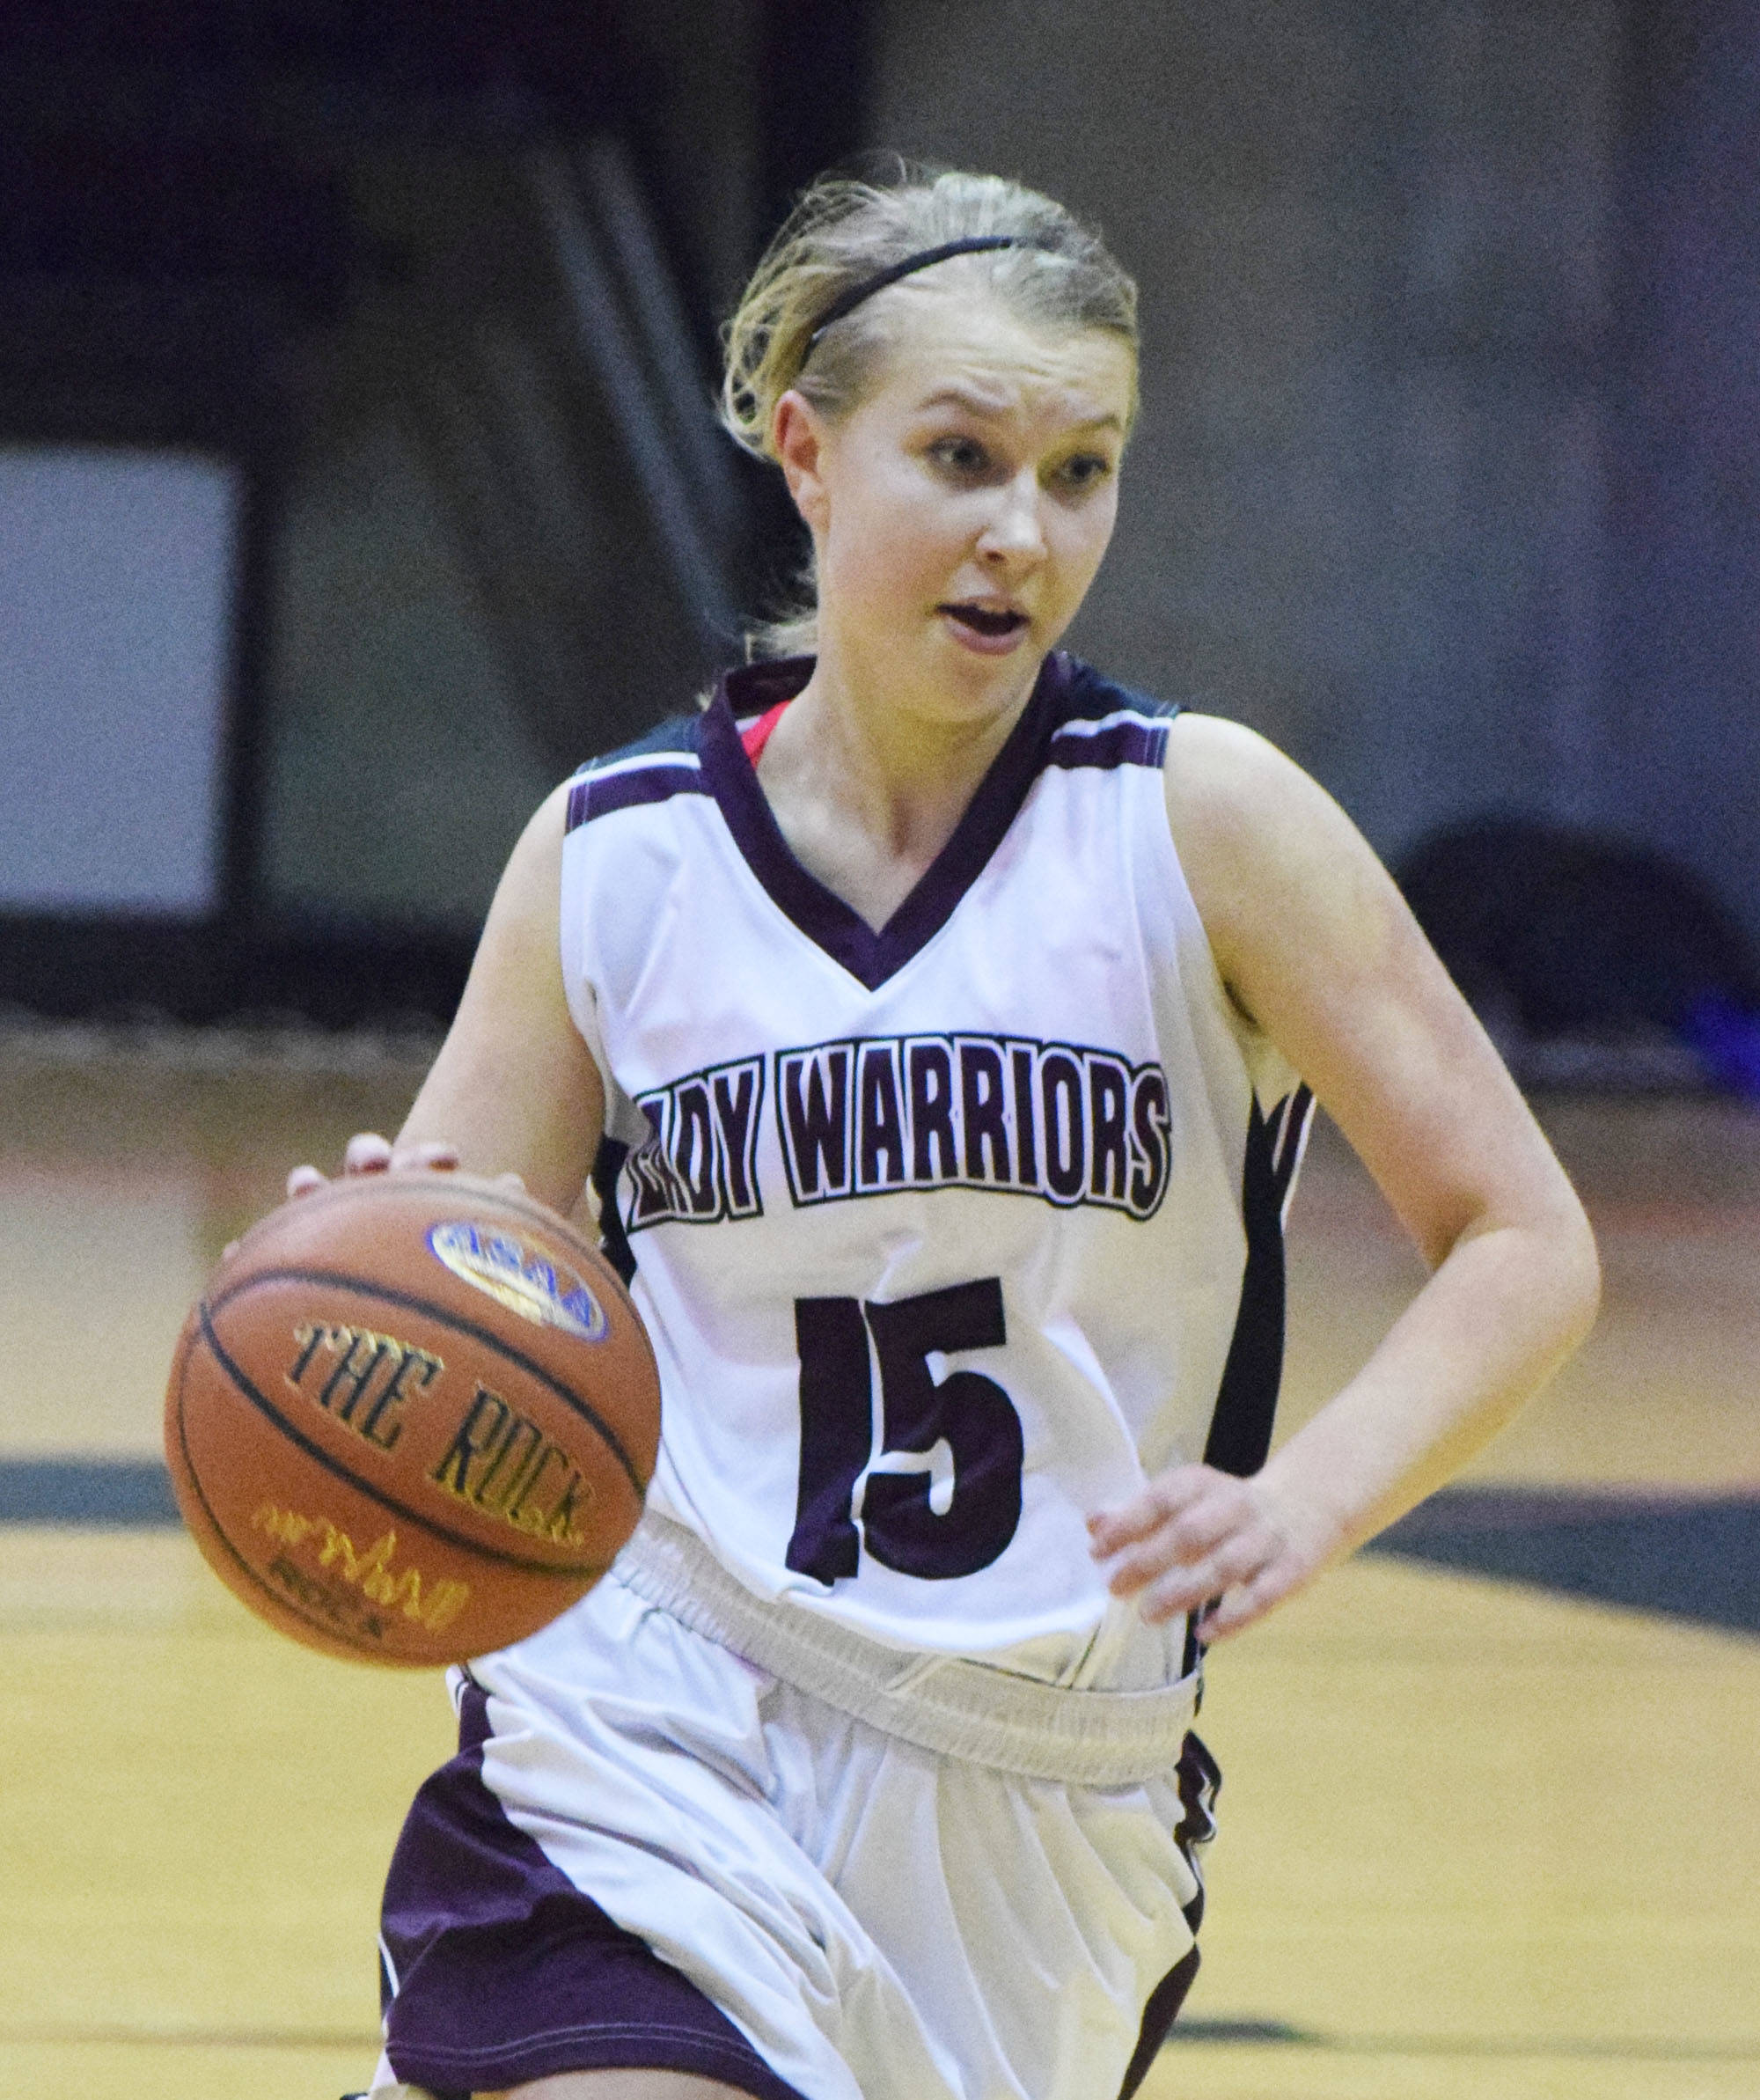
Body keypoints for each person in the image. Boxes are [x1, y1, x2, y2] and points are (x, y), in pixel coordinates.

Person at [312, 165, 1599, 2100]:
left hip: (1042, 1786)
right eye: (964, 455)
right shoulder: (616, 854)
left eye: (1080, 469)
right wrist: (373, 1277)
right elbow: (460, 1259)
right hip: (665, 1696)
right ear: (811, 456)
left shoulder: (1202, 824)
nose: (1024, 530)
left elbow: (1524, 1237)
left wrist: (1304, 1496)